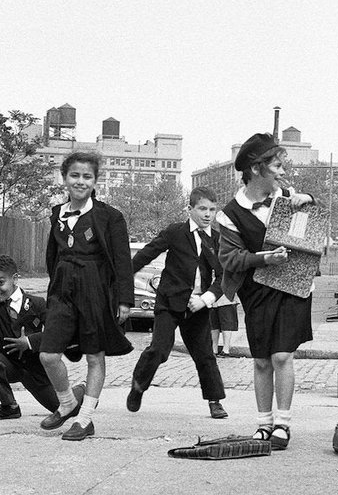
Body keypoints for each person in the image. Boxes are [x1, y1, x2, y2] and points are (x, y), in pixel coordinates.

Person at [214, 132, 316, 451]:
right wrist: (263, 258)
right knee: (261, 360)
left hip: (291, 286)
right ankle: (263, 424)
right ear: (257, 169)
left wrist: (307, 203)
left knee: (282, 354)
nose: (282, 171)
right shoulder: (228, 214)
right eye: (277, 165)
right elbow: (230, 258)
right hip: (256, 290)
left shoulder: (288, 196)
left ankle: (283, 424)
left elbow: (306, 235)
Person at [38, 151, 134, 440]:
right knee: (48, 354)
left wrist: (124, 300)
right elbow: (52, 256)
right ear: (64, 178)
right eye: (75, 175)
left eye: (87, 176)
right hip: (63, 290)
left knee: (95, 356)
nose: (80, 181)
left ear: (95, 181)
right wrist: (55, 286)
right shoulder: (57, 214)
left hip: (95, 291)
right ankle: (67, 402)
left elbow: (122, 261)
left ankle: (86, 418)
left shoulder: (110, 217)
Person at [126, 186, 228, 420]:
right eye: (202, 209)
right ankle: (139, 385)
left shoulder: (217, 240)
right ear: (190, 209)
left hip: (198, 306)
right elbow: (146, 255)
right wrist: (122, 280)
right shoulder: (175, 232)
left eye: (212, 210)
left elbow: (225, 276)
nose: (207, 214)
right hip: (169, 303)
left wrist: (206, 299)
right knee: (160, 349)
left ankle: (215, 401)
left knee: (204, 354)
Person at [0, 252, 84, 421]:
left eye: (0, 283)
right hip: (10, 365)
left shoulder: (37, 304)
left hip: (35, 371)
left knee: (69, 410)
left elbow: (57, 332)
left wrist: (29, 342)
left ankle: (82, 389)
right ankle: (9, 406)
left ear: (15, 279)